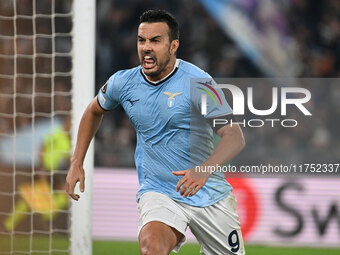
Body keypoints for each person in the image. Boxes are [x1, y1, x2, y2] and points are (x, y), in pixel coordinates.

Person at [66, 9, 246, 255]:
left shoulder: (199, 83)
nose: (146, 47)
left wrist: (203, 170)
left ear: (174, 46)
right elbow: (92, 111)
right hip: (159, 191)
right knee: (152, 249)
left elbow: (234, 136)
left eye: (155, 40)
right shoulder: (124, 82)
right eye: (142, 40)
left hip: (209, 194)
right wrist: (77, 161)